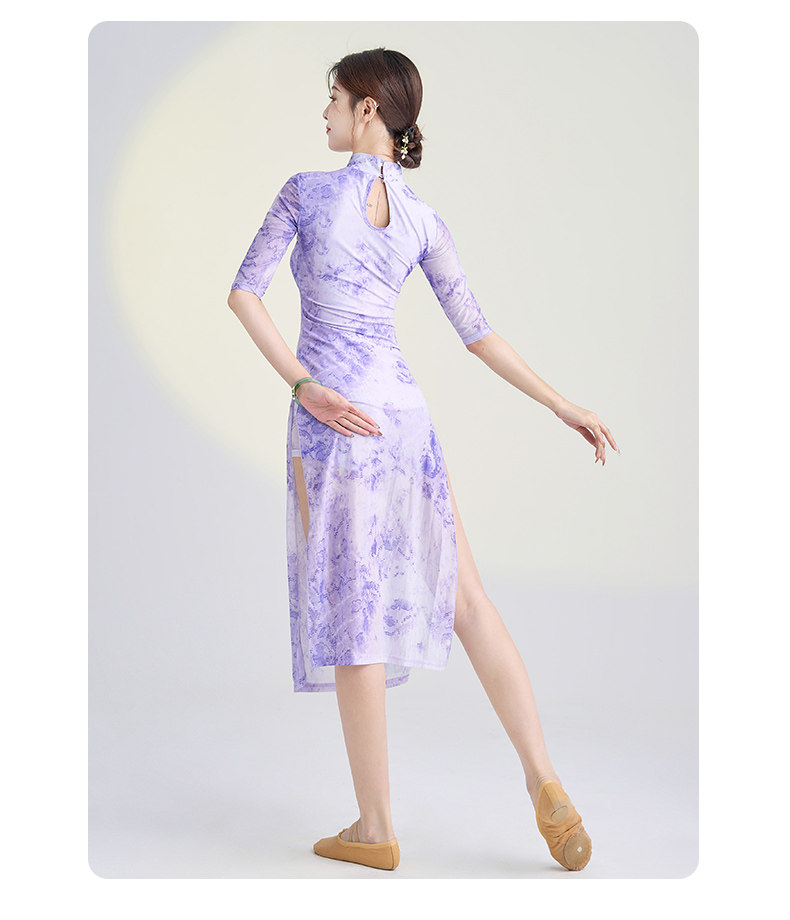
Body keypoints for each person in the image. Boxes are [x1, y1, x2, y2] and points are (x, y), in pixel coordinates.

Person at [227, 47, 618, 873]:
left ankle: (375, 829)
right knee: (468, 600)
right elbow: (478, 333)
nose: (326, 112)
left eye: (335, 99)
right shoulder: (422, 218)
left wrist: (303, 385)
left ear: (368, 108)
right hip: (406, 420)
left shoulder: (304, 192)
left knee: (354, 617)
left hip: (338, 422)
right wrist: (562, 404)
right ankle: (544, 779)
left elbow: (243, 292)